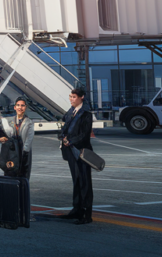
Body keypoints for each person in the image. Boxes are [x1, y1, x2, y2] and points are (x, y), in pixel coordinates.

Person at [59, 87, 94, 225]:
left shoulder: (86, 114)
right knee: (76, 181)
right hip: (71, 151)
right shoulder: (70, 112)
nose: (71, 99)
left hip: (82, 152)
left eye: (74, 97)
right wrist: (62, 137)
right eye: (70, 96)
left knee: (85, 182)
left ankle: (86, 213)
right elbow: (64, 128)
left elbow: (85, 135)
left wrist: (70, 141)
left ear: (81, 97)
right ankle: (77, 209)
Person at [1, 97, 35, 180]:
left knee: (23, 176)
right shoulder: (9, 121)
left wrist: (24, 153)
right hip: (11, 152)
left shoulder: (29, 122)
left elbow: (29, 139)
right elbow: (5, 136)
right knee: (10, 173)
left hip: (23, 152)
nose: (20, 107)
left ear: (25, 107)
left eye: (22, 105)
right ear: (14, 107)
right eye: (18, 105)